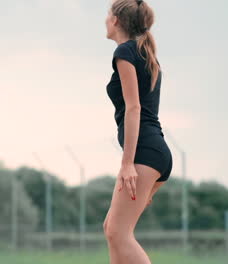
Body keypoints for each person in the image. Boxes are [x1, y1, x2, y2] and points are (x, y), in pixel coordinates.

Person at [103, 0, 173, 263]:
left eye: (107, 14)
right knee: (112, 228)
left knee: (119, 233)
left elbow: (134, 109)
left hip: (145, 154)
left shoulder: (125, 53)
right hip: (157, 154)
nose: (105, 19)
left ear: (117, 21)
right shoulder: (144, 54)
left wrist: (127, 163)